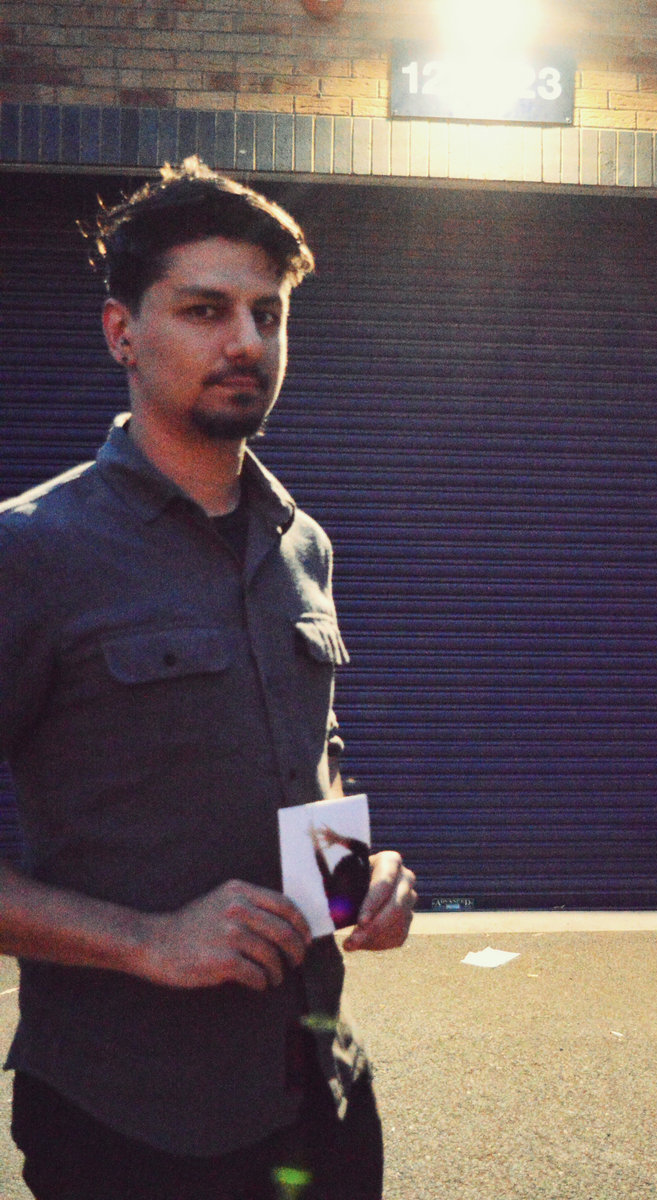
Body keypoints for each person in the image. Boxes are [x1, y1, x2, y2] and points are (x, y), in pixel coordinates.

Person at [0, 157, 417, 1200]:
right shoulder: (33, 552)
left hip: (318, 1089)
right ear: (121, 332)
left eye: (268, 314)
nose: (247, 342)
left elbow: (308, 763)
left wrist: (358, 882)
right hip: (131, 1121)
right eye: (205, 310)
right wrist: (148, 941)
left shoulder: (302, 545)